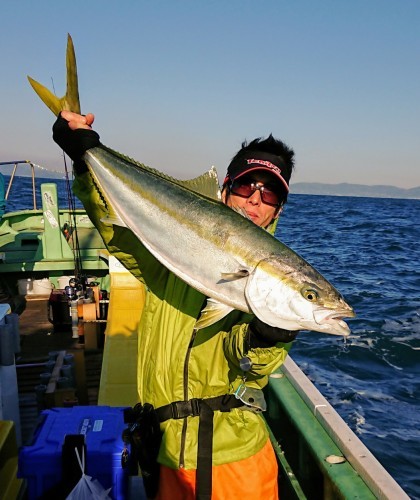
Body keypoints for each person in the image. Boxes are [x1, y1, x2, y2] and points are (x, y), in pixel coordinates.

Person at [53, 110, 299, 500]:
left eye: (269, 192)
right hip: (166, 451)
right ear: (224, 189)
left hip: (232, 459)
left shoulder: (277, 278)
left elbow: (249, 365)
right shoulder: (169, 254)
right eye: (245, 186)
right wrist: (85, 160)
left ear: (278, 208)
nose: (255, 198)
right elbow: (115, 229)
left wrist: (268, 335)